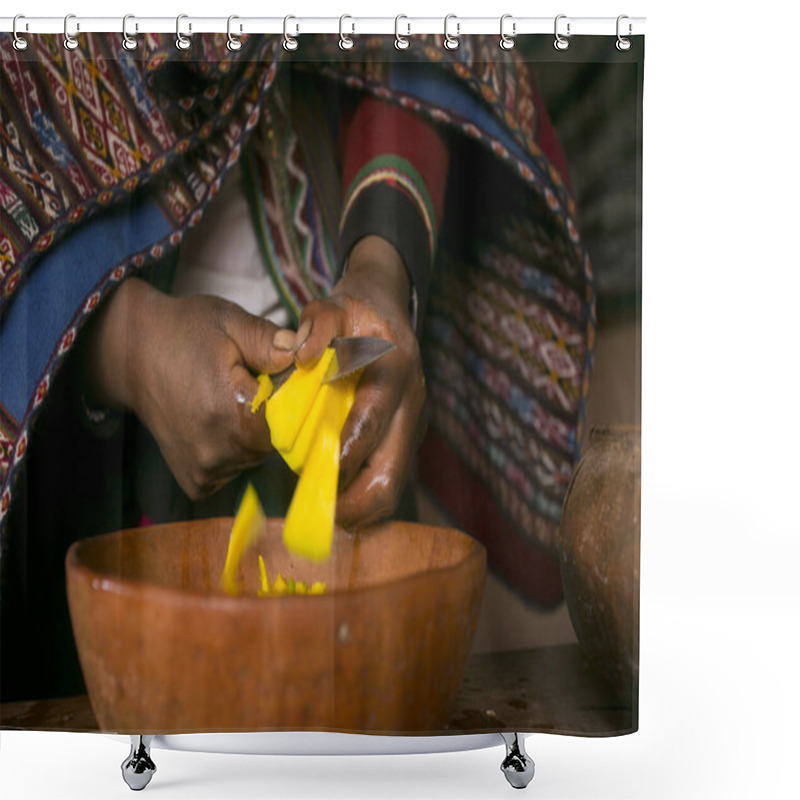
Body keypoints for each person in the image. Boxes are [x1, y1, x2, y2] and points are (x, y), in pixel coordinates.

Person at [0, 32, 594, 701]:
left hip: (330, 389)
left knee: (345, 706)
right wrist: (124, 345)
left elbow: (419, 37)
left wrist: (382, 264)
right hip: (69, 460)